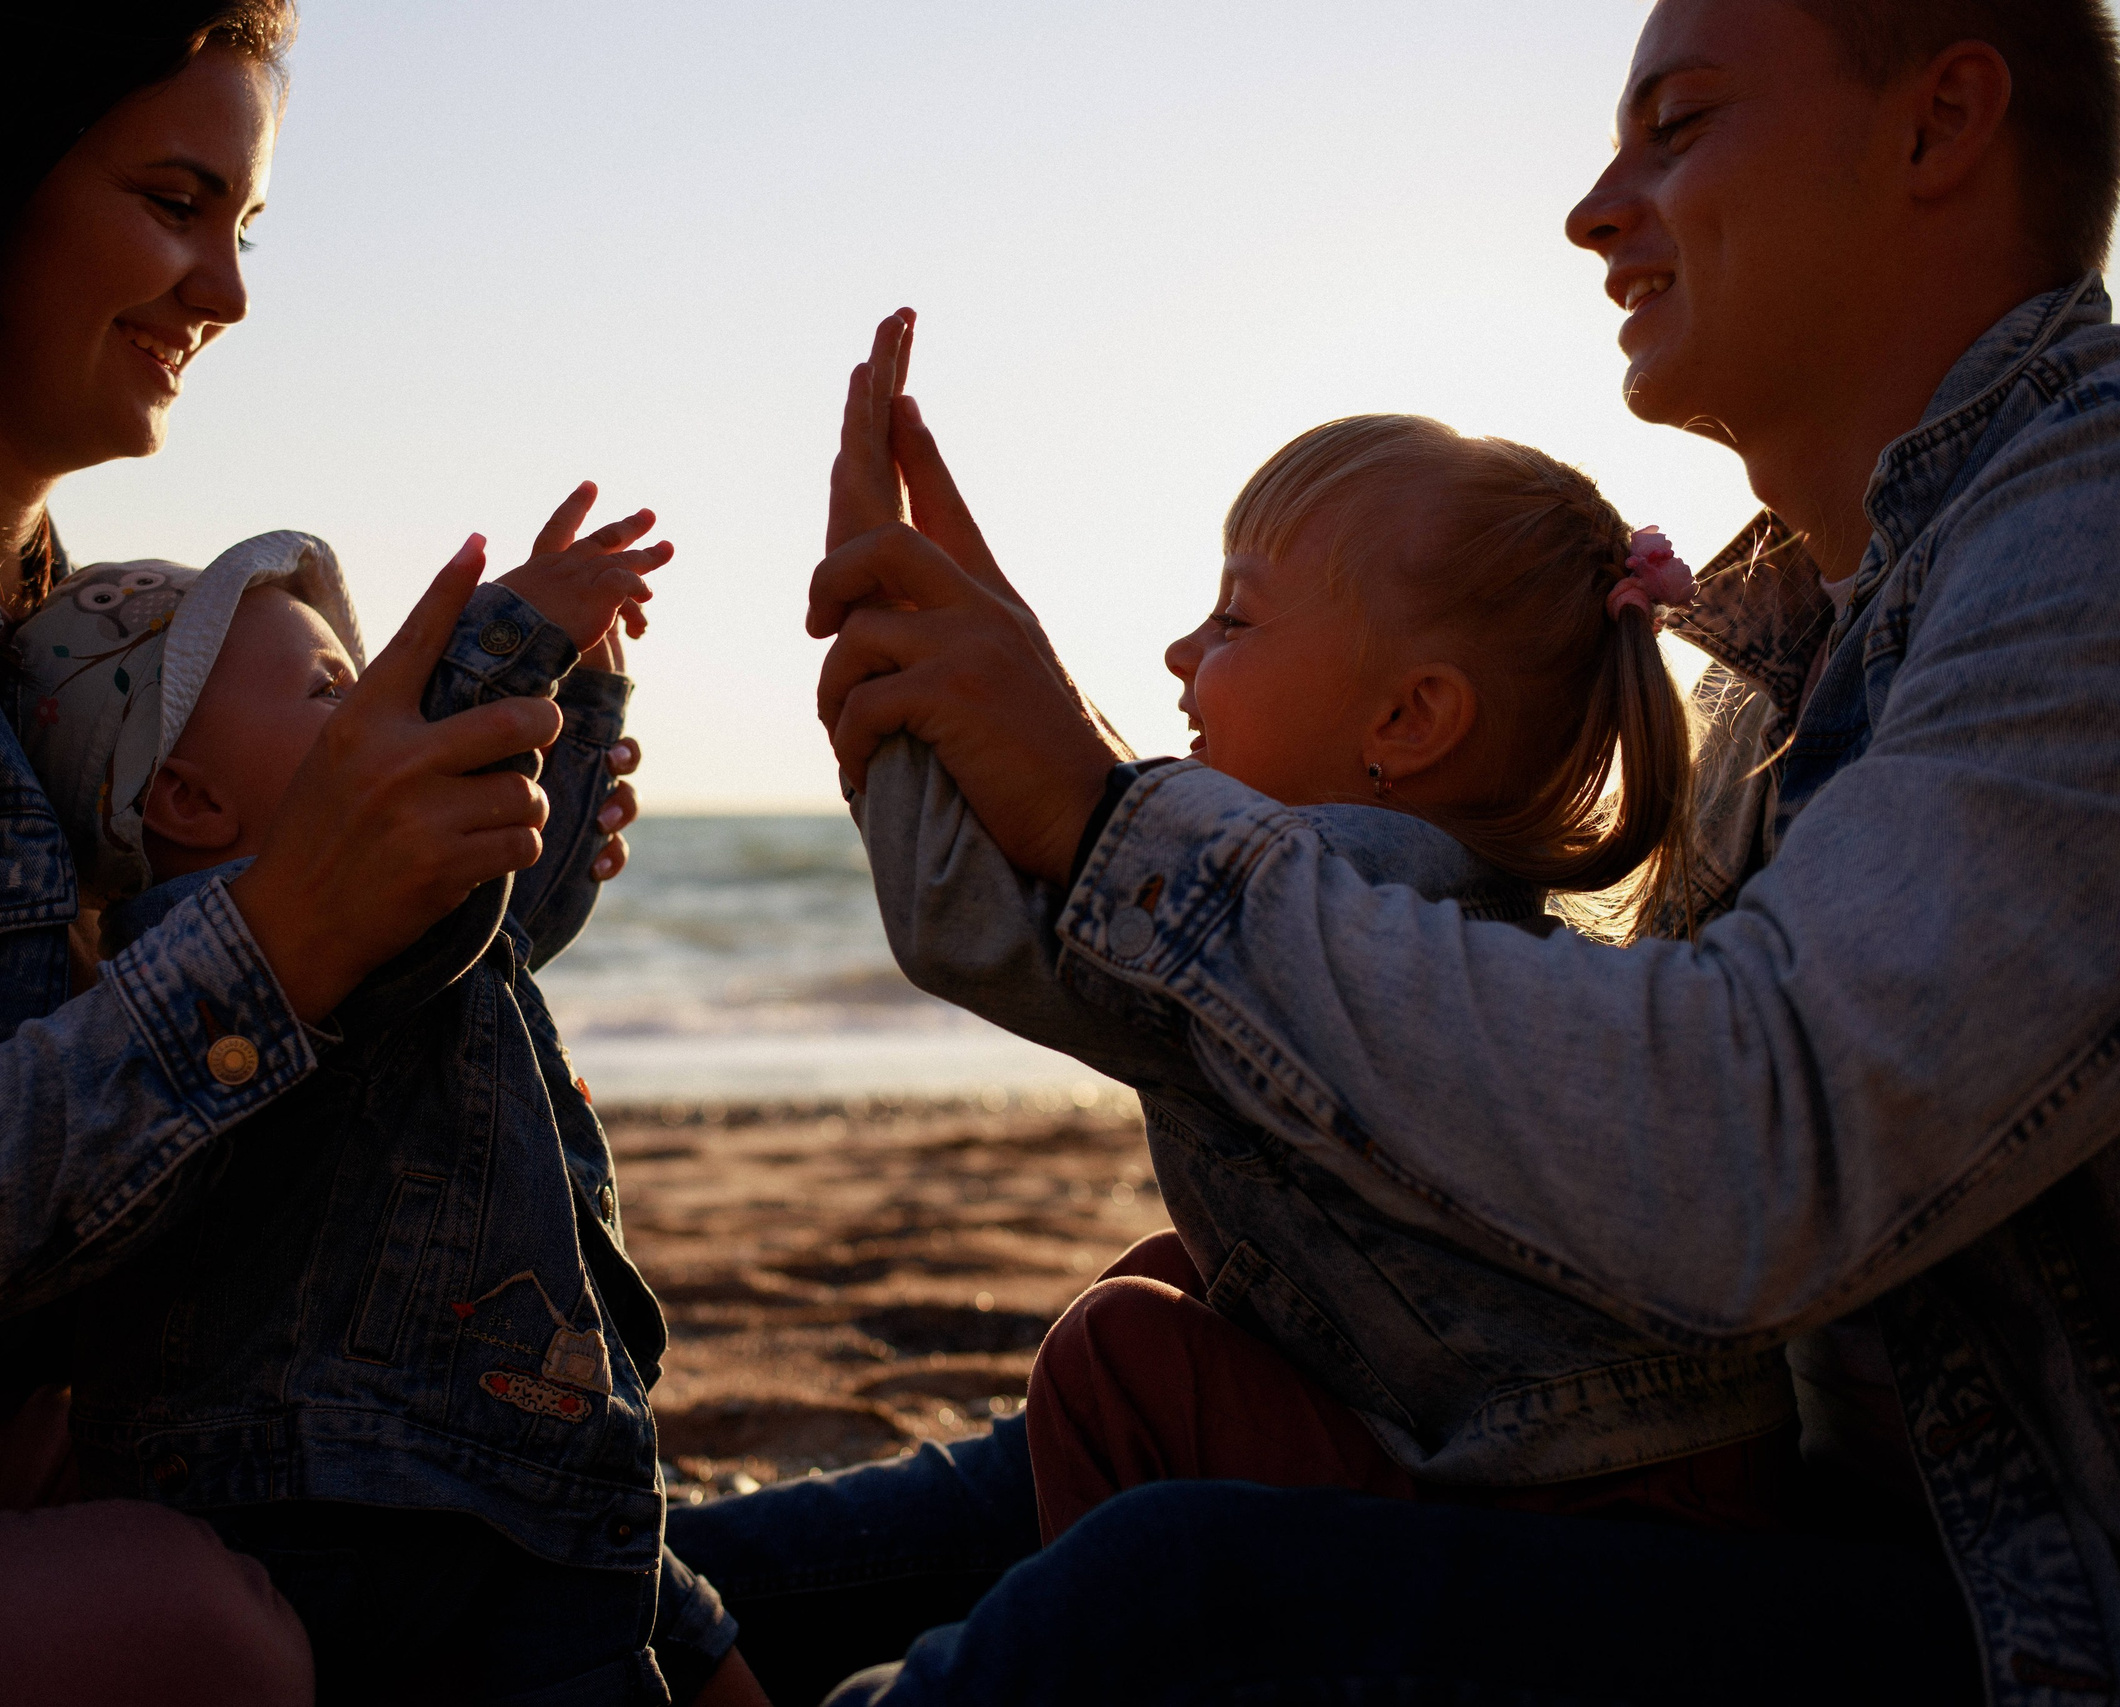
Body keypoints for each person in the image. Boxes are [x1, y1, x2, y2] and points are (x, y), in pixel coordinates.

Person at [795, 0, 2120, 1700]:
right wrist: (983, 744)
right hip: (1812, 1519)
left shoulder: (2085, 543)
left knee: (1166, 1593)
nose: (1594, 205)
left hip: (2011, 1619)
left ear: (1937, 129)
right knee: (1013, 1447)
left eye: (1681, 123)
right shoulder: (1798, 638)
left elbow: (1758, 1145)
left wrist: (1101, 810)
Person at [0, 5, 669, 1701]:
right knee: (194, 1633)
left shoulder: (46, 629)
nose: (224, 292)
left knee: (483, 1522)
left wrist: (453, 839)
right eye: (174, 202)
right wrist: (286, 929)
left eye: (244, 227)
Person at [829, 313, 1803, 1541]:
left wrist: (889, 682)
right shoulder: (1434, 890)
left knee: (1121, 1353)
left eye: (1232, 623)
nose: (1181, 653)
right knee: (1192, 1281)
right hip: (1671, 1463)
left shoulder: (1344, 884)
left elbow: (981, 924)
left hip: (1582, 1515)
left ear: (1407, 720)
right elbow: (1115, 842)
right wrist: (987, 642)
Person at [5, 516, 759, 1703]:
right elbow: (452, 888)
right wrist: (505, 646)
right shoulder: (226, 947)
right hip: (371, 1502)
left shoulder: (388, 918)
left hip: (488, 1455)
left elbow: (510, 920)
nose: (375, 718)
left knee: (697, 1651)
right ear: (191, 803)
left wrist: (578, 703)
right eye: (332, 693)